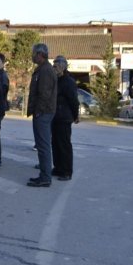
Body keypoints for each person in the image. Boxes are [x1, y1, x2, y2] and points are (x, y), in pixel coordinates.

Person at [27, 43, 58, 187]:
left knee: (43, 146)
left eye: (34, 53)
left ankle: (45, 177)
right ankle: (44, 175)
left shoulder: (45, 70)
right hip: (43, 112)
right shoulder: (43, 69)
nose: (32, 56)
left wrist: (38, 112)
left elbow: (44, 94)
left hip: (43, 113)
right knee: (42, 145)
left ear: (40, 54)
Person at [51, 56, 79, 181]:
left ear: (63, 66)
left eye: (56, 66)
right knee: (55, 143)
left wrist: (75, 115)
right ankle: (58, 168)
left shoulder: (68, 81)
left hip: (64, 117)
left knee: (64, 145)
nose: (54, 68)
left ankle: (67, 171)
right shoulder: (56, 80)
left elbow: (74, 101)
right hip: (55, 116)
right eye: (53, 65)